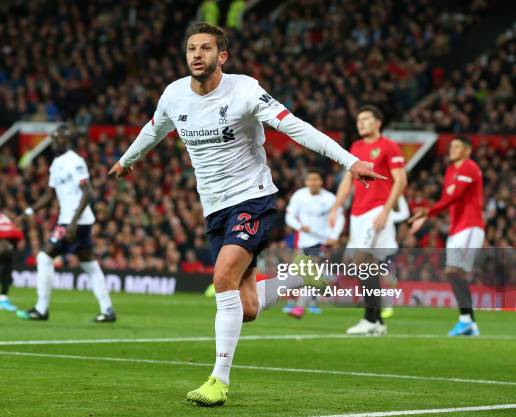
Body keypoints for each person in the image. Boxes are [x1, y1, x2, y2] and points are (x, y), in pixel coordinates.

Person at [108, 22, 384, 406]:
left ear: (222, 56)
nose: (197, 55)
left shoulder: (246, 90)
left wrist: (350, 161)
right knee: (248, 307)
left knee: (222, 277)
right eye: (191, 49)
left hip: (252, 199)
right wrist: (126, 160)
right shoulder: (173, 95)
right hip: (214, 208)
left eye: (205, 49)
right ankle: (302, 276)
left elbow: (296, 127)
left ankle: (218, 380)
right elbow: (153, 129)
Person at [17, 125, 116, 323]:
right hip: (74, 221)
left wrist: (71, 223)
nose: (54, 142)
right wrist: (29, 212)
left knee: (44, 257)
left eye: (57, 139)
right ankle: (107, 310)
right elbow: (49, 195)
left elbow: (88, 192)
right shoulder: (56, 163)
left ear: (66, 140)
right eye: (52, 138)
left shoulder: (75, 161)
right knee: (89, 263)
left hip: (74, 221)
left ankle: (41, 309)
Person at [328, 105, 407, 336]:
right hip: (357, 213)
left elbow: (400, 181)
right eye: (358, 120)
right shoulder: (357, 147)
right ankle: (378, 322)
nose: (360, 123)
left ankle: (369, 319)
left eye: (366, 119)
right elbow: (347, 181)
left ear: (378, 122)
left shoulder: (389, 146)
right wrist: (335, 207)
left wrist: (386, 211)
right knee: (366, 263)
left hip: (376, 210)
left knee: (362, 260)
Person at [409, 136, 484, 336]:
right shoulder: (451, 170)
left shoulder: (469, 167)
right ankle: (469, 322)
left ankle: (466, 320)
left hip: (470, 226)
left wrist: (428, 211)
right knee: (452, 271)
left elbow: (455, 196)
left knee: (453, 270)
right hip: (456, 228)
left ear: (467, 150)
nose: (452, 150)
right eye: (451, 147)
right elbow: (447, 200)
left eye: (457, 147)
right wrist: (428, 213)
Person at [284, 170, 345, 318]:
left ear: (321, 182)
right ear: (306, 182)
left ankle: (300, 307)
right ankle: (308, 299)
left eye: (316, 179)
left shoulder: (330, 198)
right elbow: (289, 216)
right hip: (303, 241)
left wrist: (334, 236)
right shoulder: (299, 196)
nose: (313, 182)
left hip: (320, 241)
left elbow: (340, 218)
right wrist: (299, 226)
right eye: (310, 179)